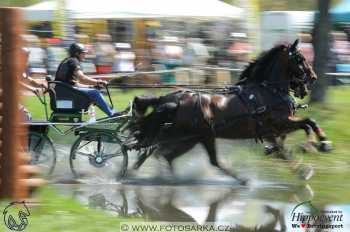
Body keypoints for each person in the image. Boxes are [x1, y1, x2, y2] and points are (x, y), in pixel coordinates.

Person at [55, 43, 119, 117]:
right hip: (68, 93)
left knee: (93, 92)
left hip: (65, 92)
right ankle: (112, 114)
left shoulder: (66, 61)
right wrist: (97, 82)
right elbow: (82, 78)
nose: (85, 55)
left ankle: (114, 112)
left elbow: (74, 84)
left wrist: (90, 86)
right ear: (77, 53)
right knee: (95, 93)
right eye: (83, 53)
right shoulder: (73, 61)